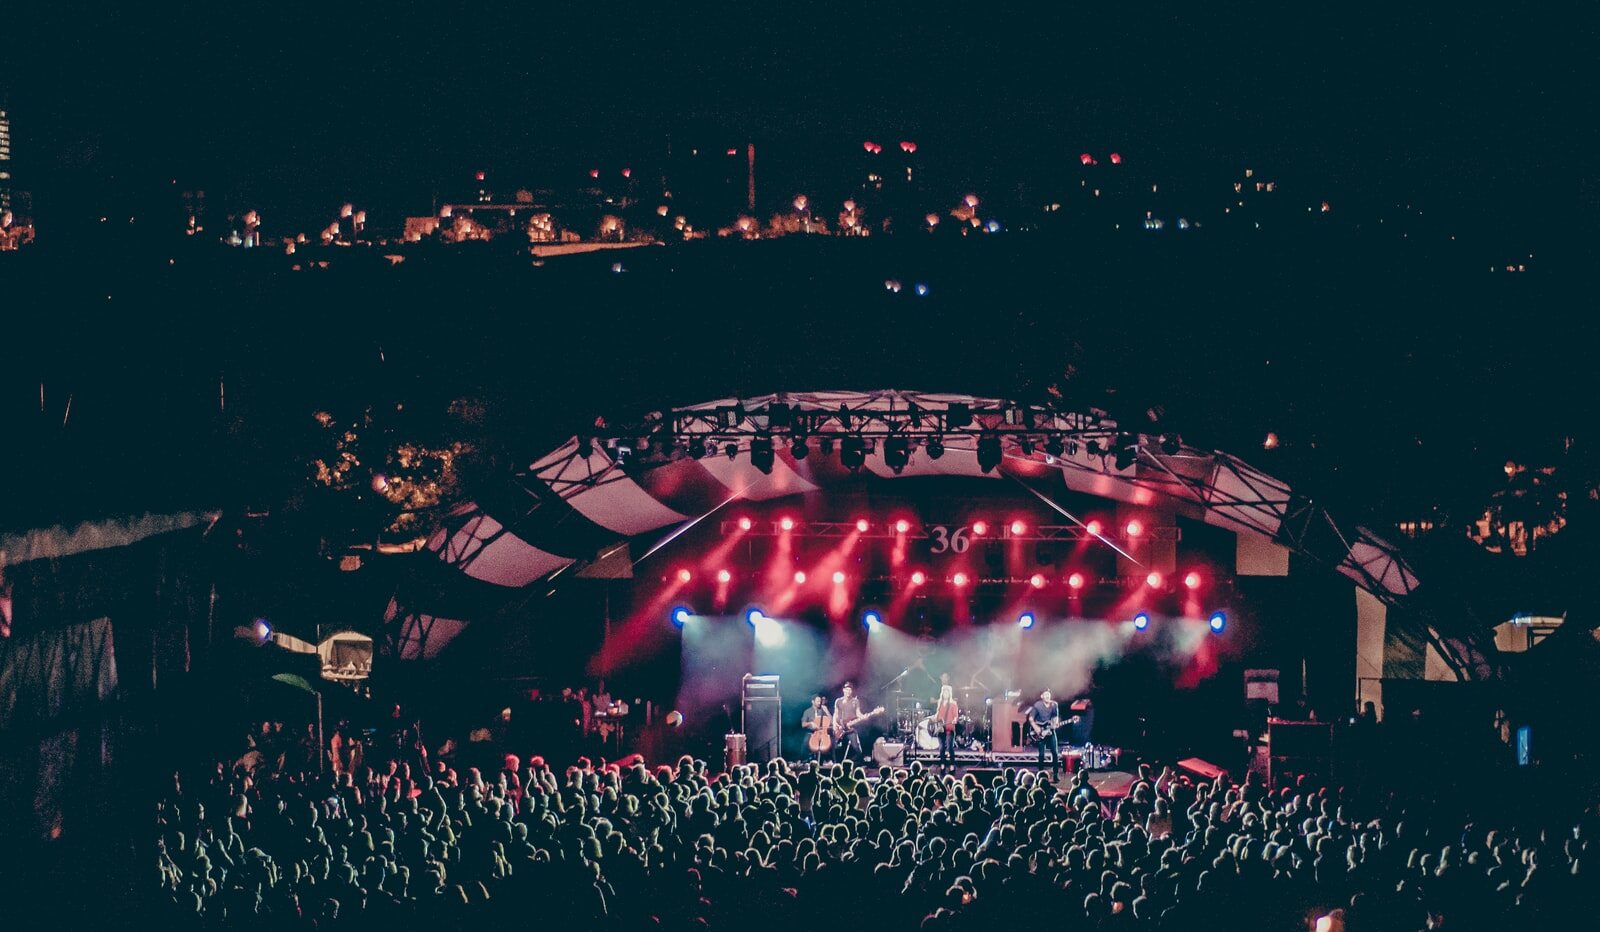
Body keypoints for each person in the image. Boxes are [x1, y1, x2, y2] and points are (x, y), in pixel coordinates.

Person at [1028, 689, 1063, 778]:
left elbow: (1055, 717)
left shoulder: (1054, 705)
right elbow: (1031, 719)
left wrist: (1055, 724)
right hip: (1040, 733)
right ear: (1042, 696)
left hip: (1050, 731)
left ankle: (1055, 774)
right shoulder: (1037, 705)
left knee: (1055, 752)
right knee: (1041, 754)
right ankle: (1040, 774)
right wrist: (1037, 728)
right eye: (1045, 694)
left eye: (1049, 694)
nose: (1048, 696)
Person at [832, 683, 865, 762]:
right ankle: (837, 766)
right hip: (840, 728)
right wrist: (834, 724)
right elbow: (835, 714)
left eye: (850, 689)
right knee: (836, 748)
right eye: (847, 689)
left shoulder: (855, 701)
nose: (848, 691)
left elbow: (858, 713)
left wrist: (862, 716)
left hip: (851, 729)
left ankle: (849, 763)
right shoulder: (838, 701)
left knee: (858, 750)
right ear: (843, 690)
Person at [934, 684, 960, 770]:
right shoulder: (940, 703)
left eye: (947, 692)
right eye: (944, 692)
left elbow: (956, 715)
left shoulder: (953, 704)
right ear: (942, 693)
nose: (946, 694)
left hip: (949, 728)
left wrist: (955, 720)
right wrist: (935, 719)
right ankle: (942, 763)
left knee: (950, 747)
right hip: (941, 728)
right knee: (941, 748)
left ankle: (952, 764)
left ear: (949, 694)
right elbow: (938, 714)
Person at [801, 694, 831, 762]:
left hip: (822, 732)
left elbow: (831, 721)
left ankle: (827, 760)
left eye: (820, 701)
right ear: (812, 701)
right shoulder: (807, 711)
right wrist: (811, 723)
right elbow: (803, 724)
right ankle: (803, 760)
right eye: (817, 701)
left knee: (828, 743)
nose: (819, 703)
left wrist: (827, 711)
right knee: (805, 741)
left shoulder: (822, 711)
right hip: (811, 732)